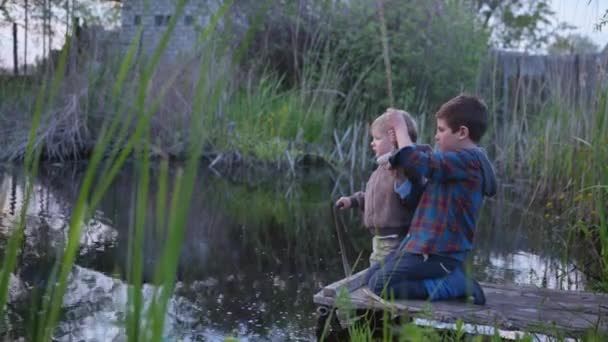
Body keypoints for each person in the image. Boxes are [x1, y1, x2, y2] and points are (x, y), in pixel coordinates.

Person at [367, 95, 497, 305]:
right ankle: (448, 279)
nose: (436, 136)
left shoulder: (470, 162)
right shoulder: (452, 163)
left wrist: (400, 127)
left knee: (380, 285)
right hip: (420, 248)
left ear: (462, 132)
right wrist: (400, 175)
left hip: (440, 254)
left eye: (441, 130)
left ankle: (456, 284)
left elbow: (420, 161)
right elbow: (418, 198)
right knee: (369, 278)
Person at [335, 110, 428, 267]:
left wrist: (399, 172)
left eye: (377, 138)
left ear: (394, 141)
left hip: (395, 240)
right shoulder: (380, 168)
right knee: (377, 271)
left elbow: (411, 197)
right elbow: (375, 197)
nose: (372, 143)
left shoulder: (402, 170)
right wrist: (353, 201)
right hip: (379, 239)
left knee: (384, 277)